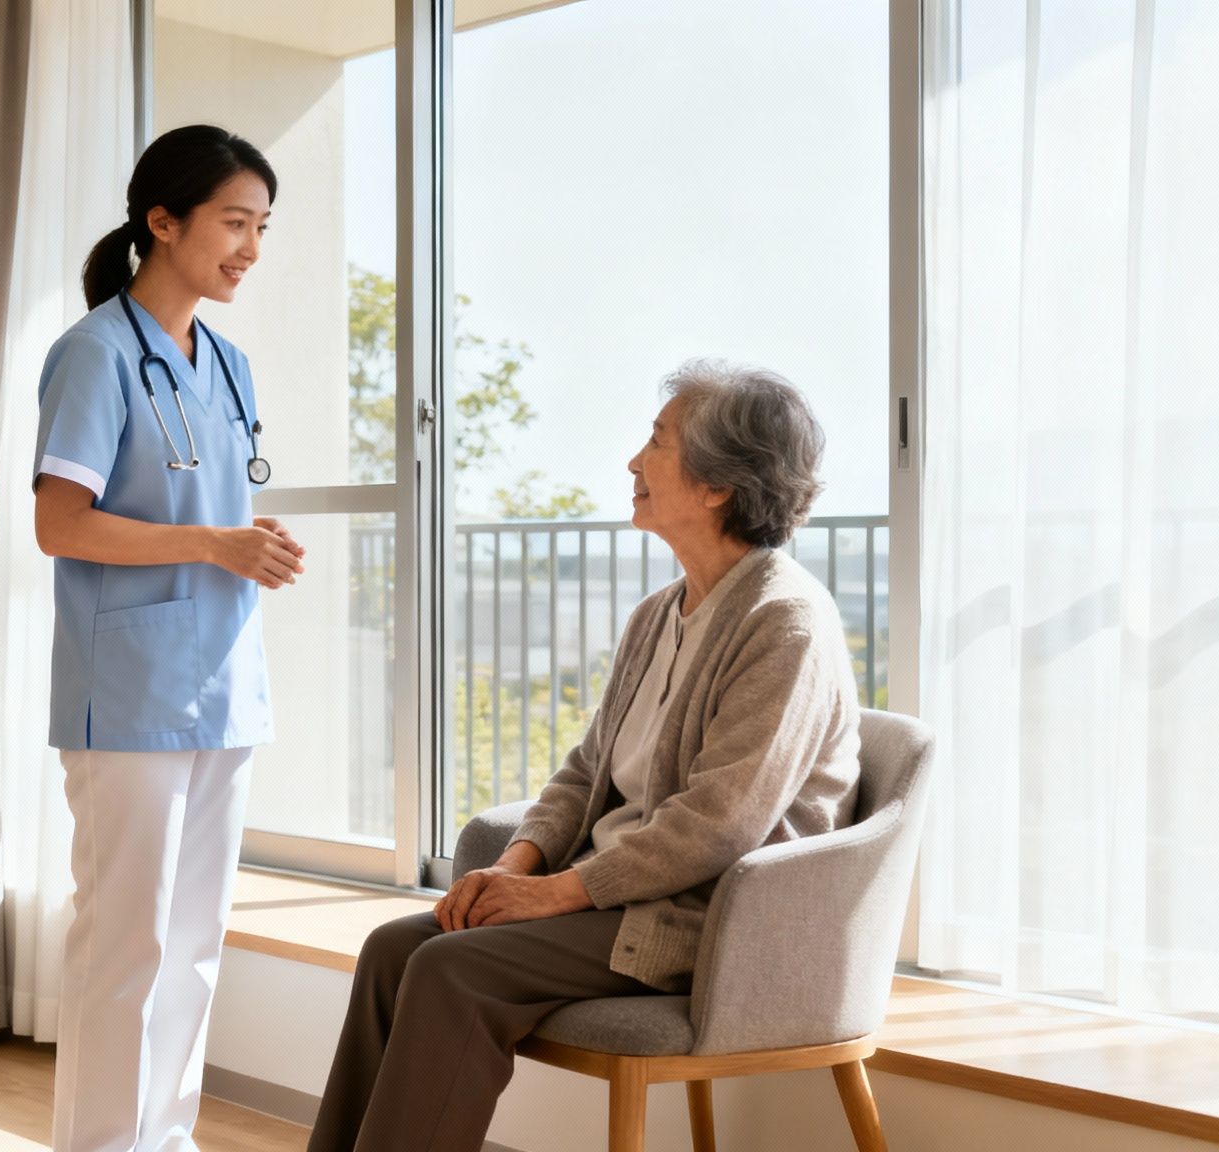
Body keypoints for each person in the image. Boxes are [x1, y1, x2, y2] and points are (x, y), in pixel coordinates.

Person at [307, 360, 861, 1152]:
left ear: (716, 486)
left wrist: (559, 893)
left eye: (656, 442)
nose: (633, 461)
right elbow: (586, 768)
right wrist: (519, 866)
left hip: (707, 916)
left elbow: (718, 823)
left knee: (450, 969)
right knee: (396, 947)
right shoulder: (658, 614)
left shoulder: (785, 623)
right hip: (613, 896)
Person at [32, 124, 306, 1152]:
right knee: (125, 944)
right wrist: (209, 541)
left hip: (224, 681)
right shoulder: (93, 354)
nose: (249, 247)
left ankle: (165, 1140)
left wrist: (247, 542)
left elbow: (211, 505)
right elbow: (59, 524)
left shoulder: (228, 363)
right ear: (163, 221)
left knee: (192, 944)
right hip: (130, 692)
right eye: (235, 222)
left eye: (261, 228)